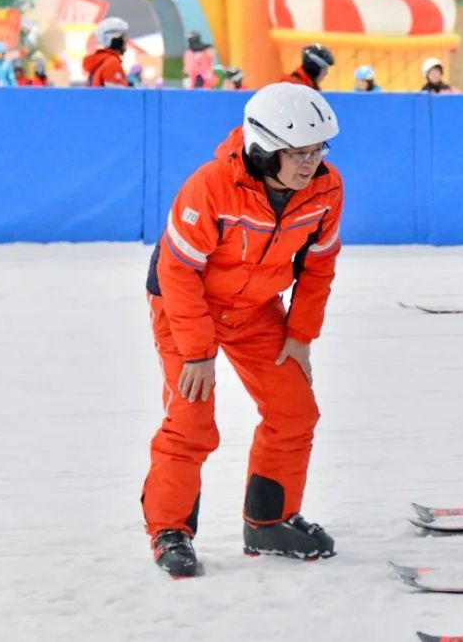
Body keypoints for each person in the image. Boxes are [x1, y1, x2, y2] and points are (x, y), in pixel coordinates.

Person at [141, 83, 343, 578]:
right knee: (191, 420)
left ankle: (269, 521)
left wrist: (300, 336)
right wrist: (196, 352)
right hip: (186, 305)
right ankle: (170, 530)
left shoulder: (326, 188)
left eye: (318, 150)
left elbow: (319, 266)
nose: (310, 163)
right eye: (298, 152)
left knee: (294, 409)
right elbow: (178, 272)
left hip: (255, 307)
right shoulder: (210, 186)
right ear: (262, 147)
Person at [83, 17, 129, 88]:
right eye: (122, 37)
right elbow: (118, 95)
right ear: (113, 39)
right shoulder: (112, 63)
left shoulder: (100, 62)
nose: (125, 40)